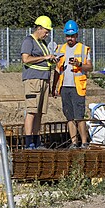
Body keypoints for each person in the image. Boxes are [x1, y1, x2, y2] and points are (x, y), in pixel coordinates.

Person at [51, 20, 93, 149]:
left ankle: (84, 142)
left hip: (77, 88)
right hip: (64, 87)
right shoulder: (60, 49)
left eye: (72, 36)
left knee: (79, 116)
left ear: (76, 35)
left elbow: (90, 67)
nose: (70, 38)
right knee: (69, 116)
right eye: (68, 36)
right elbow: (57, 70)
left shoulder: (83, 49)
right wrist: (54, 87)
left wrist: (79, 64)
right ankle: (74, 143)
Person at [20, 15, 56, 149]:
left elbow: (43, 60)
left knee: (39, 112)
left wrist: (50, 60)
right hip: (33, 81)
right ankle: (29, 142)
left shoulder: (42, 43)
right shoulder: (29, 41)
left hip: (44, 80)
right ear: (39, 28)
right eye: (46, 31)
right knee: (32, 111)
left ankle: (36, 140)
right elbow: (26, 59)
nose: (47, 35)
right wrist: (44, 57)